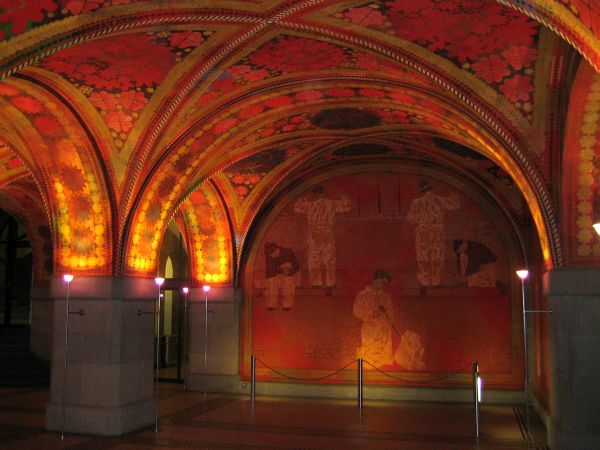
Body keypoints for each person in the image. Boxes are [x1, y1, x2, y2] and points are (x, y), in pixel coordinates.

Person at [294, 185, 350, 294]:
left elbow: (297, 208)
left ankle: (316, 283)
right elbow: (346, 207)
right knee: (330, 259)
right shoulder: (332, 203)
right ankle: (330, 283)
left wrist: (302, 199)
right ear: (324, 193)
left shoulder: (310, 204)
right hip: (328, 233)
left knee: (314, 258)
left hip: (314, 234)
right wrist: (343, 197)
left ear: (315, 194)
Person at [407, 180, 460, 294]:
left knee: (423, 257)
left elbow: (411, 219)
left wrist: (420, 217)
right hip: (437, 232)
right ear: (431, 189)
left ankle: (425, 282)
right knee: (437, 255)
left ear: (421, 191)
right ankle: (436, 281)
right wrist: (452, 193)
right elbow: (455, 205)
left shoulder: (417, 202)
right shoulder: (440, 200)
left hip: (423, 232)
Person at [353, 269, 394, 367]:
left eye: (385, 284)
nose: (383, 285)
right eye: (382, 282)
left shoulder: (385, 296)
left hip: (383, 331)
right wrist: (372, 313)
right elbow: (356, 312)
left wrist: (387, 315)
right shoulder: (362, 295)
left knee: (384, 360)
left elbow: (391, 313)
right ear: (377, 279)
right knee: (370, 359)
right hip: (370, 330)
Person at [264, 242, 300, 310]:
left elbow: (297, 266)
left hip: (290, 274)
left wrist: (289, 267)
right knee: (271, 281)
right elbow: (269, 271)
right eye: (270, 255)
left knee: (287, 281)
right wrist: (277, 274)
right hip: (277, 274)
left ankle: (287, 304)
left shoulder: (288, 252)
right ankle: (271, 304)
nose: (272, 257)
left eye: (272, 254)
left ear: (276, 250)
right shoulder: (269, 256)